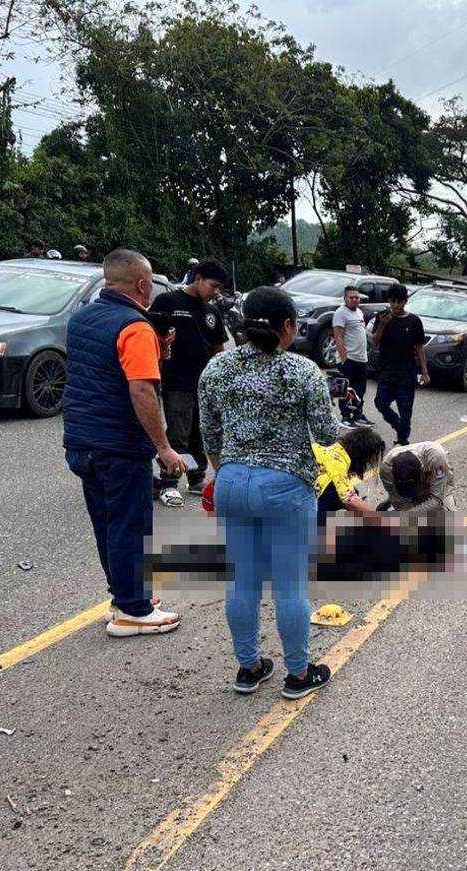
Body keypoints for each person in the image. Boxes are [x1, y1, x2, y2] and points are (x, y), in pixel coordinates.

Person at [198, 286, 340, 699]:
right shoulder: (301, 370)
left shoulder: (217, 368)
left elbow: (209, 433)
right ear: (289, 326)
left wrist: (226, 472)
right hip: (284, 486)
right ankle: (298, 674)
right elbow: (328, 434)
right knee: (289, 585)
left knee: (242, 581)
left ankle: (249, 667)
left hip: (231, 481)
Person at [62, 248, 186, 637]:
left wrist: (158, 352)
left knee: (108, 525)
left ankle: (124, 595)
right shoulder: (134, 327)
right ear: (142, 284)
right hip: (118, 444)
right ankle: (133, 610)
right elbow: (141, 391)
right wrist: (164, 447)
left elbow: (100, 374)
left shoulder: (82, 318)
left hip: (81, 441)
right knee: (130, 526)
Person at [146, 259, 229, 506]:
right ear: (198, 278)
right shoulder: (168, 302)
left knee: (199, 434)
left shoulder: (212, 311)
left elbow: (219, 348)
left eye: (219, 289)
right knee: (178, 434)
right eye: (213, 286)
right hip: (176, 380)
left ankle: (196, 478)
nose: (215, 293)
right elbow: (149, 334)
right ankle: (169, 483)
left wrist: (221, 378)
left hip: (204, 384)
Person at [371, 283, 428, 447]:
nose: (396, 305)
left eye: (400, 301)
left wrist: (424, 371)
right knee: (380, 403)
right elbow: (375, 341)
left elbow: (419, 347)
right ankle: (397, 425)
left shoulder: (414, 321)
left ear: (405, 302)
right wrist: (382, 325)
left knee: (406, 411)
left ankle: (403, 440)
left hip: (407, 373)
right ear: (389, 301)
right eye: (393, 301)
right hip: (387, 371)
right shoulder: (382, 317)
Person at [313, 426, 387, 526]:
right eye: (370, 458)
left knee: (351, 492)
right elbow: (349, 499)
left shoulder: (334, 450)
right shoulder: (337, 463)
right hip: (303, 502)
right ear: (363, 453)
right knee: (339, 494)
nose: (370, 462)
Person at [331, 285, 373, 428]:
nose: (355, 300)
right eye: (351, 297)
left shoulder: (359, 313)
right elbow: (338, 336)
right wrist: (344, 358)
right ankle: (345, 417)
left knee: (360, 390)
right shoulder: (340, 313)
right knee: (345, 390)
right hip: (349, 359)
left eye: (357, 297)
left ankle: (358, 414)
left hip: (361, 358)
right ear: (345, 298)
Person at [379, 441, 456, 514]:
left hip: (437, 486)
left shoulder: (436, 459)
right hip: (405, 495)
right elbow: (401, 503)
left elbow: (437, 500)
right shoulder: (386, 470)